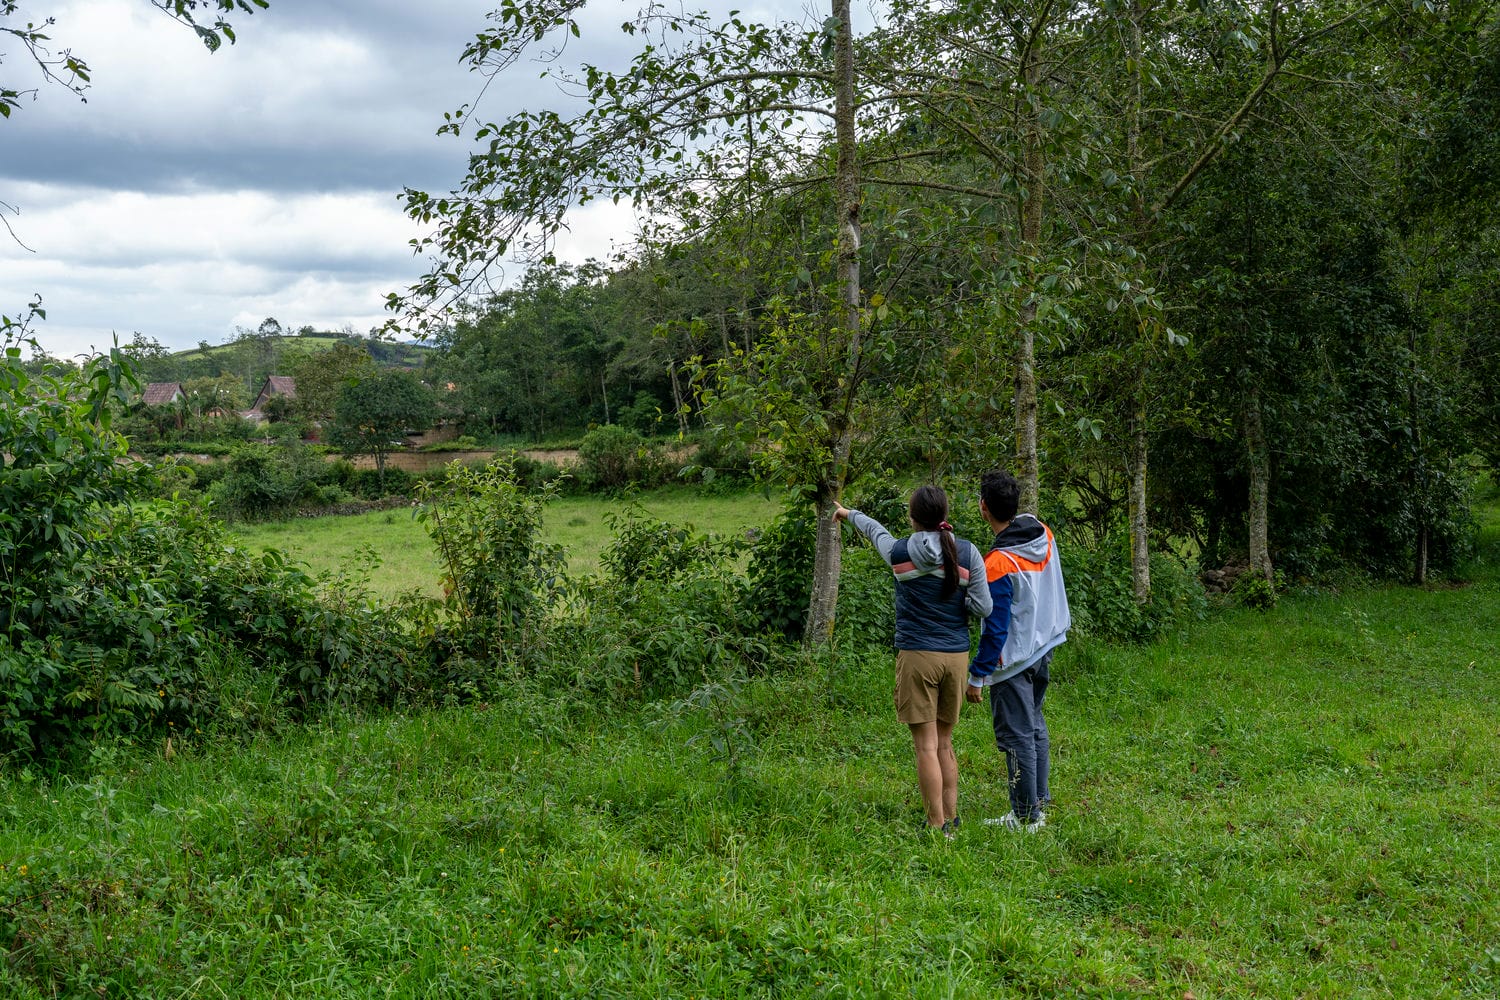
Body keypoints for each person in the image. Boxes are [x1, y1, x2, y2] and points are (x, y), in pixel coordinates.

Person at [834, 486, 992, 838]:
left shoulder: (899, 552)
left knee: (925, 746)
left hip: (917, 656)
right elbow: (984, 607)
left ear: (912, 517)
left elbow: (875, 531)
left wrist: (849, 514)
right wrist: (959, 602)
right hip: (956, 658)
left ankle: (936, 825)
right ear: (944, 515)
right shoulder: (968, 553)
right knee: (945, 742)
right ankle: (951, 819)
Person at [965, 470, 1071, 831]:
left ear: (983, 507)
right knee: (1035, 724)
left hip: (1014, 659)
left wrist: (978, 675)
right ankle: (1037, 802)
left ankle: (1026, 817)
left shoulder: (997, 564)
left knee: (1017, 735)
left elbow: (995, 628)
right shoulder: (1042, 533)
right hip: (1045, 643)